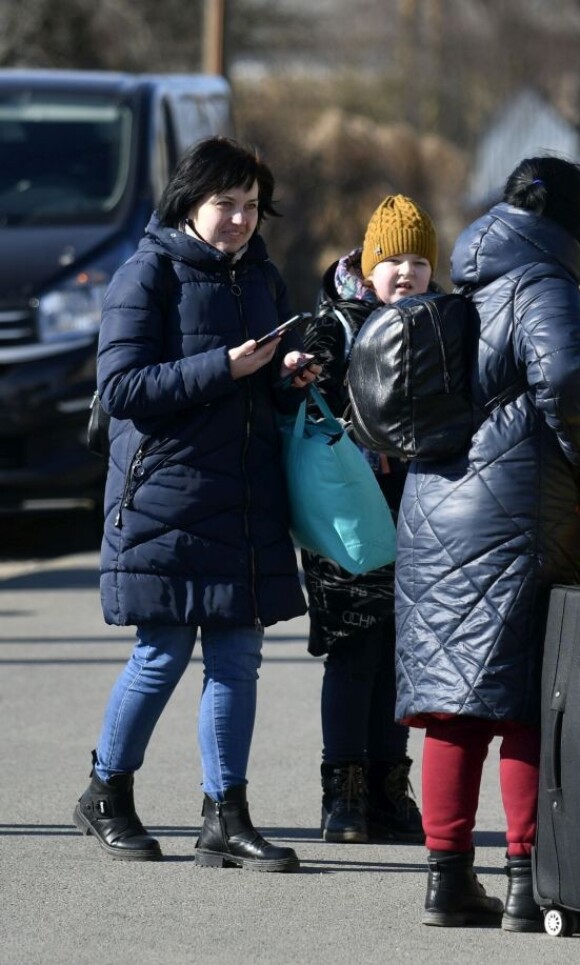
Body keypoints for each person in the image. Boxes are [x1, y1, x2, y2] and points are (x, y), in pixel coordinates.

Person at [394, 156, 580, 930]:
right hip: (515, 512)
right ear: (570, 218)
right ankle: (526, 884)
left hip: (436, 505)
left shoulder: (473, 277)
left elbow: (495, 381)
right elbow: (566, 377)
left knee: (451, 703)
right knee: (521, 702)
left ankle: (446, 882)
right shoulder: (543, 281)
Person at [72, 135, 320, 872]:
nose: (241, 220)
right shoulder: (146, 274)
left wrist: (289, 375)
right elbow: (119, 389)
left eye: (251, 206)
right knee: (163, 653)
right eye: (227, 205)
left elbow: (260, 390)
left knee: (240, 658)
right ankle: (106, 793)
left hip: (243, 497)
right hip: (164, 498)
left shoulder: (263, 278)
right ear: (189, 203)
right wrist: (222, 366)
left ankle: (225, 817)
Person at [299, 195, 432, 844]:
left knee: (402, 659)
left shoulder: (438, 321)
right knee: (354, 653)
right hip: (347, 514)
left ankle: (387, 789)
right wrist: (305, 366)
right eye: (393, 260)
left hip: (418, 515)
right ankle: (343, 797)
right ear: (368, 264)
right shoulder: (340, 321)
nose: (406, 272)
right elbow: (312, 366)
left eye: (419, 260)